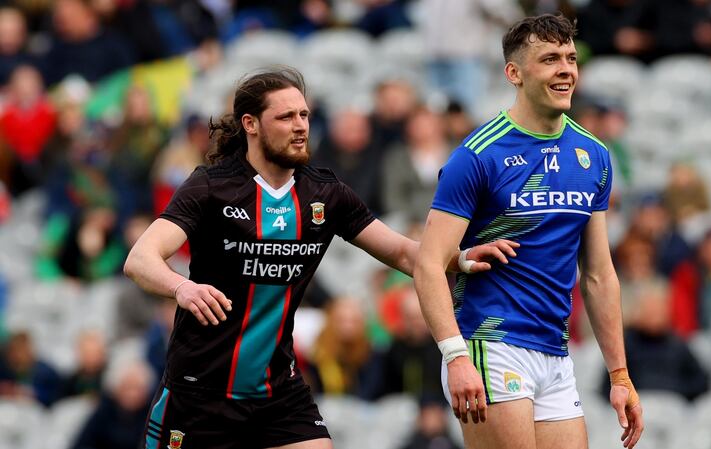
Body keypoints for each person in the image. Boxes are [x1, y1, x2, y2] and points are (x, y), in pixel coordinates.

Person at [123, 67, 519, 449]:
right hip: (202, 388)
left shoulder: (324, 193)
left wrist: (460, 256)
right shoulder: (211, 187)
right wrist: (183, 288)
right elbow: (141, 259)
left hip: (276, 388)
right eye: (286, 117)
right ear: (251, 124)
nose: (300, 126)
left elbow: (402, 252)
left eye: (304, 115)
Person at [413, 14, 644, 449]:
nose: (566, 69)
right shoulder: (478, 155)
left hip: (555, 354)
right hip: (490, 343)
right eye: (550, 59)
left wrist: (620, 375)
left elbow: (598, 274)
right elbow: (428, 263)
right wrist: (455, 356)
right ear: (514, 73)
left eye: (571, 59)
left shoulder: (593, 155)